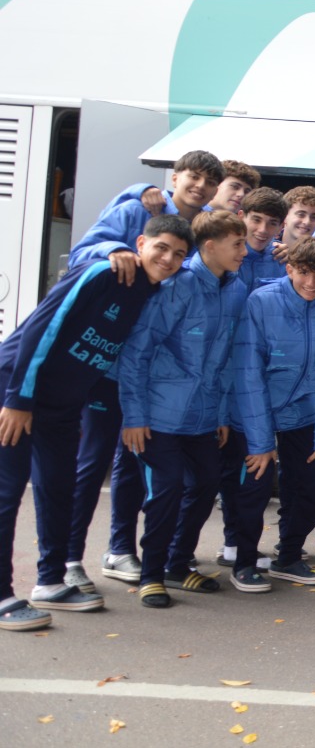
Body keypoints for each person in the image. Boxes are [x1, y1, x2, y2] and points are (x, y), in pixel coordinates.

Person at [0, 215, 191, 630]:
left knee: (57, 488)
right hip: (16, 392)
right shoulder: (105, 274)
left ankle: (50, 581)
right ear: (141, 243)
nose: (169, 258)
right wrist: (17, 399)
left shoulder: (153, 293)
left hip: (63, 407)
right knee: (7, 491)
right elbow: (42, 330)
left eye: (179, 254)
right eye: (162, 247)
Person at [117, 211, 249, 608]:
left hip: (203, 417)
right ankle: (151, 574)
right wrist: (134, 417)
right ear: (210, 246)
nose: (244, 251)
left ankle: (177, 564)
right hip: (158, 417)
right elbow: (137, 353)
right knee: (168, 487)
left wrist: (222, 414)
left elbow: (227, 359)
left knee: (207, 482)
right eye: (237, 244)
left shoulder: (235, 289)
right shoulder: (177, 287)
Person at [227, 236, 315, 594]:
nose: (311, 283)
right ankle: (245, 562)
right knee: (254, 485)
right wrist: (261, 442)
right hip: (257, 410)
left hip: (305, 412)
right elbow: (249, 374)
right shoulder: (261, 301)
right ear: (289, 269)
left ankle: (289, 553)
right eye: (302, 273)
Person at [69, 151, 219, 274]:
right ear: (174, 179)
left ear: (215, 193)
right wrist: (113, 250)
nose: (200, 185)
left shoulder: (210, 228)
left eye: (210, 182)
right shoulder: (134, 210)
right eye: (194, 177)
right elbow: (77, 257)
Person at [236, 187, 288, 293]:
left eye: (272, 223)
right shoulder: (222, 254)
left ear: (281, 227)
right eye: (256, 220)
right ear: (241, 217)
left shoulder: (283, 260)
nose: (263, 230)